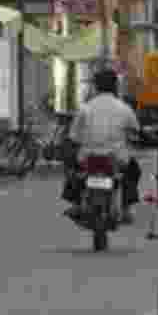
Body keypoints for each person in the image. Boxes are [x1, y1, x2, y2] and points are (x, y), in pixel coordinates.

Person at [64, 70, 142, 222]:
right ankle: (126, 209)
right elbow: (136, 131)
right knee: (133, 171)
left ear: (95, 87)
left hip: (88, 157)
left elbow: (73, 136)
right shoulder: (124, 108)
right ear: (115, 86)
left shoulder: (85, 108)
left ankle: (75, 203)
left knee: (73, 169)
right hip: (117, 158)